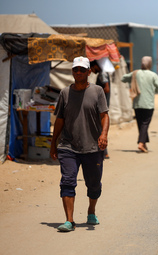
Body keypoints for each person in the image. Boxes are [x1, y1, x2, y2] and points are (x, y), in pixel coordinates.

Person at [50, 56, 109, 232]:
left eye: (82, 70)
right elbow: (59, 119)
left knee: (94, 183)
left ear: (89, 72)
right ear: (72, 71)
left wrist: (104, 134)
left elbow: (104, 115)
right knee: (67, 181)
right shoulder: (65, 93)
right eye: (76, 69)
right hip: (68, 146)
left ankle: (91, 210)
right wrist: (54, 143)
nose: (79, 72)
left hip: (92, 147)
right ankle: (69, 220)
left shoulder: (97, 91)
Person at [121, 56, 158, 153]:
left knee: (141, 124)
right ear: (150, 64)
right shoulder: (153, 75)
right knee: (145, 124)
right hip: (148, 104)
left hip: (137, 104)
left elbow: (123, 78)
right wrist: (153, 90)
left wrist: (132, 80)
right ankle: (141, 142)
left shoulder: (135, 73)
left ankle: (144, 143)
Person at [90, 60, 111, 159]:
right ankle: (103, 152)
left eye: (92, 68)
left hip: (101, 107)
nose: (92, 71)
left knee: (100, 129)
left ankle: (103, 152)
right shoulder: (103, 73)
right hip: (103, 106)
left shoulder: (102, 74)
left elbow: (106, 88)